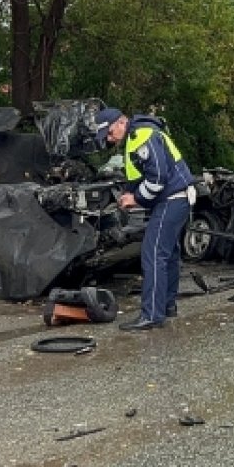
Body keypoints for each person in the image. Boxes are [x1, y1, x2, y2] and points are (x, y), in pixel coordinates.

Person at [95, 107, 195, 330]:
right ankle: (167, 306)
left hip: (172, 198)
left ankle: (152, 315)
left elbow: (158, 178)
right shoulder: (138, 135)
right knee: (168, 254)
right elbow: (141, 174)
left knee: (154, 253)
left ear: (121, 122)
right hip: (179, 197)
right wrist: (129, 192)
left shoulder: (141, 135)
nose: (110, 139)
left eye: (109, 133)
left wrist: (136, 198)